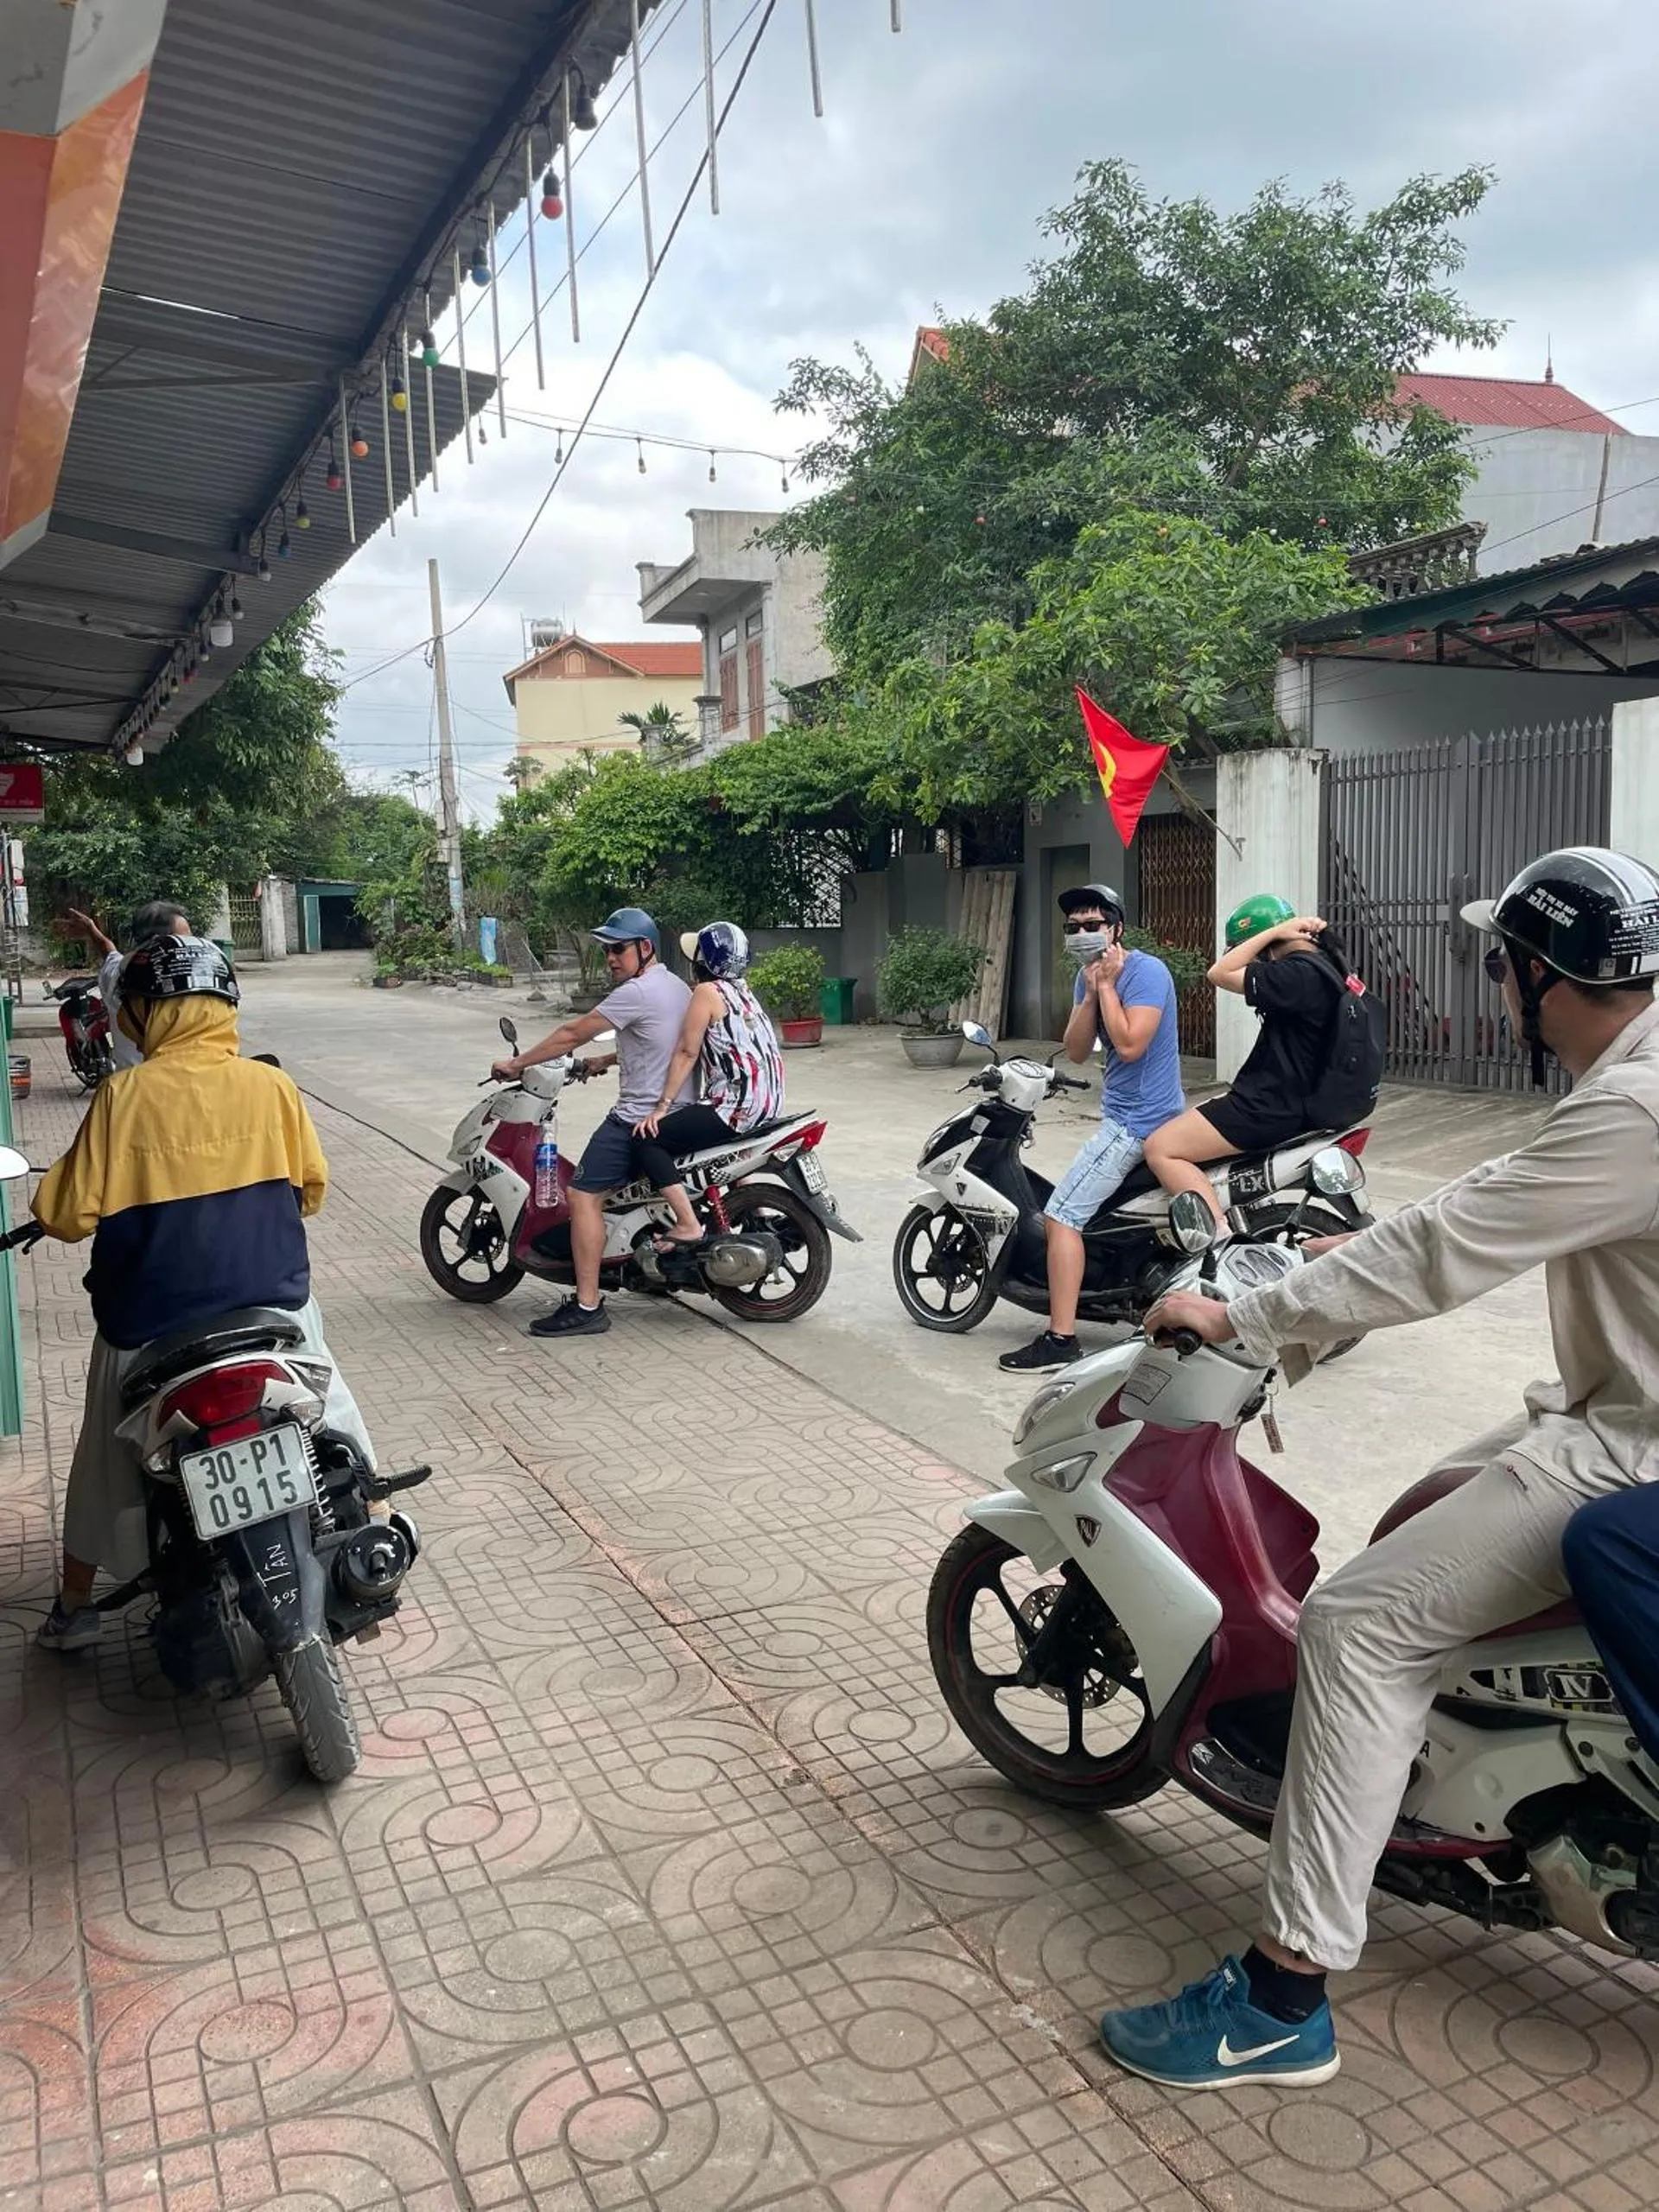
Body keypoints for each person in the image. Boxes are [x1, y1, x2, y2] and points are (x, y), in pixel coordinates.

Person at [1096, 846, 1659, 2089]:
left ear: (1532, 974)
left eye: (1502, 965)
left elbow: (1448, 1243)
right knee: (1433, 1506)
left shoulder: (1630, 1110)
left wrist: (1243, 1316)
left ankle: (1281, 1997)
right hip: (1608, 1410)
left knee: (1356, 1625)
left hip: (1628, 1449)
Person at [35, 934, 375, 1650]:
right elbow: (310, 1191)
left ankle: (72, 1606)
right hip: (272, 1306)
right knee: (334, 1409)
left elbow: (62, 1216)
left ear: (144, 1014)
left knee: (103, 1461)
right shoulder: (270, 1085)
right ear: (224, 1006)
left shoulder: (123, 1096)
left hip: (149, 1326)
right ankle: (364, 1523)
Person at [999, 883, 1183, 1373]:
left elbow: (1129, 1046)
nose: (1081, 933)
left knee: (1061, 1217)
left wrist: (1107, 986)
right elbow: (1077, 1050)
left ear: (1116, 929)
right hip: (1123, 1114)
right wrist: (1091, 988)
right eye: (1073, 927)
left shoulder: (1145, 973)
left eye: (1092, 925)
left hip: (1137, 1121)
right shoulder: (1089, 975)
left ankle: (1060, 1339)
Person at [492, 906, 691, 1338]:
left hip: (638, 1117)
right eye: (607, 952)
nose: (612, 959)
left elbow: (570, 1033)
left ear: (645, 948)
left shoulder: (633, 994)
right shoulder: (674, 986)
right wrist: (605, 1059)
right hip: (681, 1111)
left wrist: (517, 1063)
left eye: (619, 950)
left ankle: (587, 1306)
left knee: (583, 1196)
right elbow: (658, 1042)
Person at [1143, 894, 1343, 1229]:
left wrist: (1271, 933)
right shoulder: (1328, 967)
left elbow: (1219, 973)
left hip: (1268, 1106)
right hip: (1296, 1101)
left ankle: (1215, 1240)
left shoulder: (1293, 976)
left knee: (1160, 1147)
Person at [630, 922, 785, 1249]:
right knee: (720, 1147)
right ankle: (752, 1210)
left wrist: (661, 1107)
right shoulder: (744, 991)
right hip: (768, 1105)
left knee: (648, 1142)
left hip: (735, 1107)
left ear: (702, 961)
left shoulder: (706, 993)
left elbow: (687, 1051)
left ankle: (687, 1224)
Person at [65, 899, 190, 1071]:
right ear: (159, 943)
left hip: (130, 1082)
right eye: (183, 940)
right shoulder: (184, 985)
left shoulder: (119, 971)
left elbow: (108, 950)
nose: (190, 946)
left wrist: (91, 928)